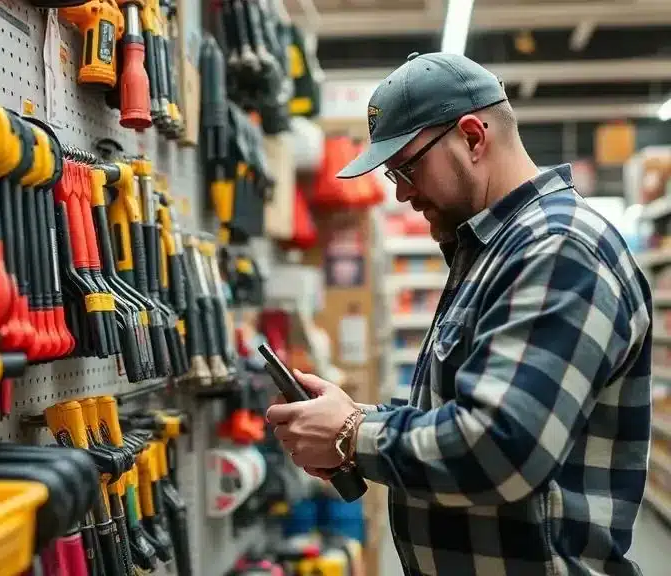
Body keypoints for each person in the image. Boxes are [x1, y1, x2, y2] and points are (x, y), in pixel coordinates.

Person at [266, 52, 652, 576]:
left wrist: (353, 432)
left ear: (472, 136)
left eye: (406, 167)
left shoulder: (556, 248)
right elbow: (463, 408)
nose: (401, 193)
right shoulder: (497, 250)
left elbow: (502, 447)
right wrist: (356, 418)